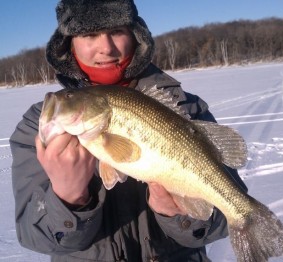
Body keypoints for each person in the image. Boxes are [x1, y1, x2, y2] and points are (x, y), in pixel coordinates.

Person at [10, 0, 247, 261]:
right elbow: (34, 236)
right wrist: (68, 197)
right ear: (68, 43)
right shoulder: (37, 125)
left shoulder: (187, 108)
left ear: (136, 36)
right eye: (89, 34)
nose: (106, 48)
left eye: (117, 31)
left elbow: (223, 222)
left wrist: (180, 216)